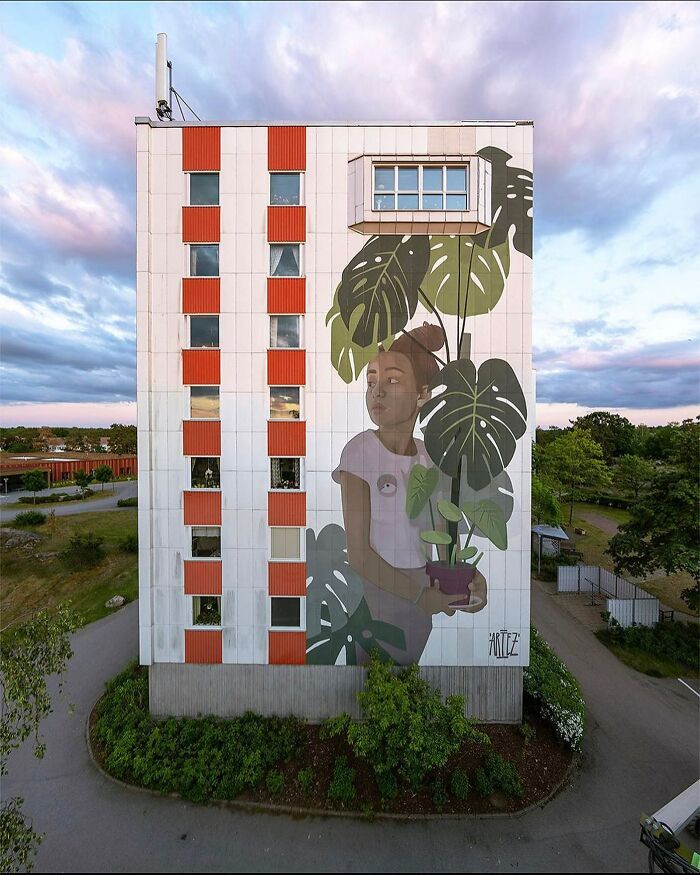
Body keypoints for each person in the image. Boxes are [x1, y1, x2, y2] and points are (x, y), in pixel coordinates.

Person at [332, 323, 487, 664]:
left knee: (407, 682)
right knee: (372, 683)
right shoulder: (359, 453)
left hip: (420, 605)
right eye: (371, 381)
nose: (377, 392)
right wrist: (418, 595)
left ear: (422, 394)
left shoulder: (430, 458)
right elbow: (359, 556)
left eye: (392, 380)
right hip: (375, 597)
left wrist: (471, 584)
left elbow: (445, 543)